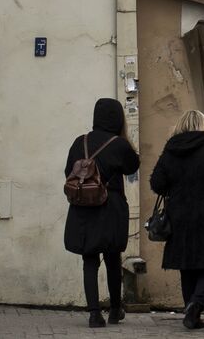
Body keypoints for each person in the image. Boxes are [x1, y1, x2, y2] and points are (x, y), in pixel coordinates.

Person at [150, 109, 204, 330]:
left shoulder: (171, 149)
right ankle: (195, 305)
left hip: (178, 215)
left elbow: (157, 183)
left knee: (186, 266)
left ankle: (191, 309)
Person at [64, 97, 141, 328]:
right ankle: (115, 310)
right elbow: (132, 167)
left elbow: (68, 171)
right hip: (111, 206)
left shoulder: (81, 141)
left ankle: (94, 314)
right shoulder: (119, 144)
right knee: (112, 257)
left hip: (83, 206)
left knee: (89, 259)